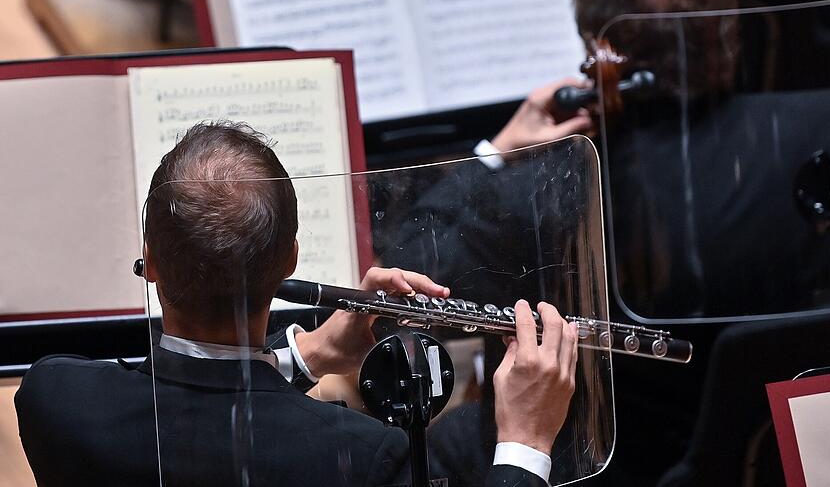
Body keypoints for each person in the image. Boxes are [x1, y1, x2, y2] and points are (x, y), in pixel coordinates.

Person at [383, 0, 830, 484]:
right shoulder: (828, 126)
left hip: (611, 464)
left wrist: (498, 154)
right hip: (780, 449)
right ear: (728, 30)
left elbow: (408, 280)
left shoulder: (559, 184)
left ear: (604, 50)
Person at [15, 122, 579, 487]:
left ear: (150, 263)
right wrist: (523, 443)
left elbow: (183, 409)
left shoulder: (55, 401)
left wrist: (303, 357)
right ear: (291, 261)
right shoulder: (364, 460)